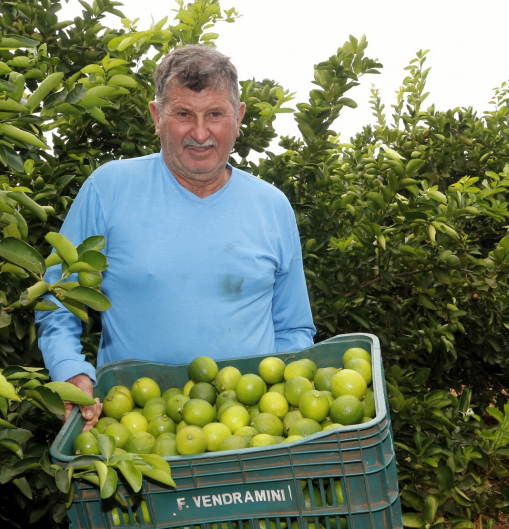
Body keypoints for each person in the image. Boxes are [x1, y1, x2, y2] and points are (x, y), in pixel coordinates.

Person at [35, 45, 316, 430]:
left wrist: (285, 404)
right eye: (184, 114)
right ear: (157, 116)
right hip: (133, 426)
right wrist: (70, 369)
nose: (200, 133)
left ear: (238, 117)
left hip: (250, 432)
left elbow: (294, 328)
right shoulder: (108, 190)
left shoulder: (272, 206)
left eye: (215, 114)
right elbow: (57, 296)